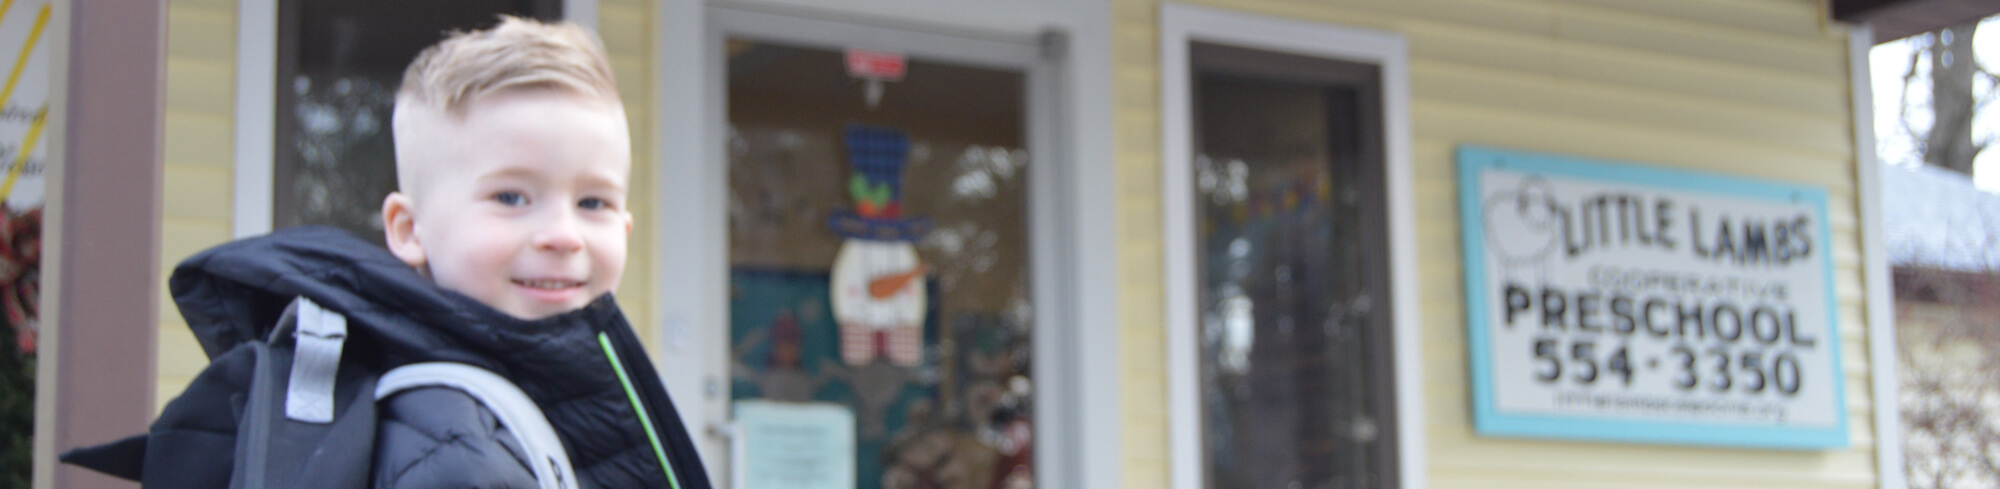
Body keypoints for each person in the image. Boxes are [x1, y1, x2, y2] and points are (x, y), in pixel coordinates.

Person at [61, 16, 712, 489]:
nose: (563, 233)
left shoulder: (509, 400)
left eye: (593, 203)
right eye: (512, 197)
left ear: (626, 227)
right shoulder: (453, 447)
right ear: (407, 228)